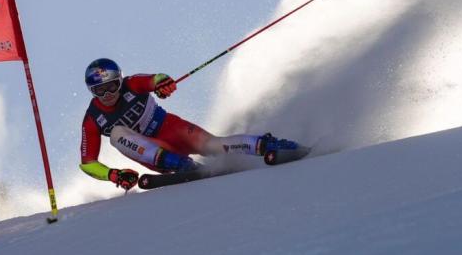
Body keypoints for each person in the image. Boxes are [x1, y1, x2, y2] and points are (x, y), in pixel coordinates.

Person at [79, 58, 299, 190]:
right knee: (117, 133)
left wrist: (162, 84)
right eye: (100, 90)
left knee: (214, 146)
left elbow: (155, 78)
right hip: (154, 152)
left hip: (171, 128)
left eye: (112, 86)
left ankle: (270, 145)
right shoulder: (92, 118)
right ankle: (181, 165)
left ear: (120, 81)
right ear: (92, 91)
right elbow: (88, 163)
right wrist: (114, 175)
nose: (107, 94)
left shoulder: (132, 84)